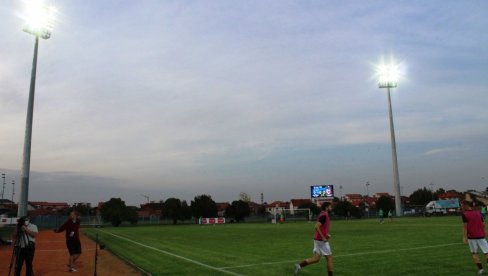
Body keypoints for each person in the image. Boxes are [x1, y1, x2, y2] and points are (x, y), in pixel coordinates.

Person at [294, 202, 333, 276]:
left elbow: (321, 227)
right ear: (326, 207)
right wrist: (323, 237)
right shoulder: (324, 215)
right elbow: (316, 226)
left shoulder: (323, 214)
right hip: (321, 241)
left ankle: (298, 266)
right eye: (330, 207)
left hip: (317, 239)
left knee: (316, 259)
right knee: (329, 258)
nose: (331, 208)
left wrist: (326, 234)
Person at [462, 200, 488, 274]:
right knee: (486, 252)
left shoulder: (465, 214)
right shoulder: (478, 213)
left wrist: (464, 237)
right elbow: (483, 224)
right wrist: (483, 231)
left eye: (463, 205)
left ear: (466, 205)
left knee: (474, 253)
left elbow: (465, 227)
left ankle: (481, 270)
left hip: (471, 237)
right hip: (481, 236)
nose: (462, 206)